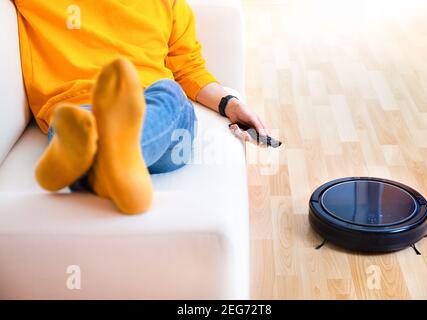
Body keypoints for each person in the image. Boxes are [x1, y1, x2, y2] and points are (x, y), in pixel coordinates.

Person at [14, 0, 268, 214]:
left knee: (170, 94)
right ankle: (117, 169)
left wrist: (230, 105)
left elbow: (188, 67)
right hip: (83, 113)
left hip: (150, 113)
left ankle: (102, 162)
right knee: (83, 124)